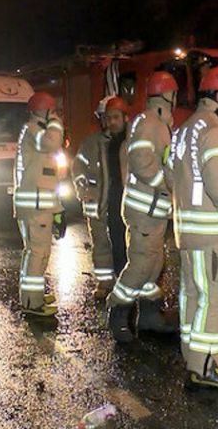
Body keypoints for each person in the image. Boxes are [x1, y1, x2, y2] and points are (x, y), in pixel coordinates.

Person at [168, 66, 218, 389]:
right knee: (215, 299)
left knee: (193, 296)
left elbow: (169, 176)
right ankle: (206, 369)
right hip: (212, 235)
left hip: (187, 234)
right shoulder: (216, 131)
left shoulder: (184, 129)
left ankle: (193, 356)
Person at [107, 72, 179, 343]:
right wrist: (164, 185)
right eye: (174, 95)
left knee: (154, 264)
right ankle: (117, 313)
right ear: (168, 96)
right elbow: (140, 159)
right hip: (144, 210)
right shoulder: (148, 123)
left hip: (153, 210)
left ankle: (149, 317)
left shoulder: (157, 123)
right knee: (140, 265)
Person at [13, 92, 66, 317]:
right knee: (38, 253)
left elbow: (48, 179)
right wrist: (56, 123)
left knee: (34, 252)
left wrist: (58, 210)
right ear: (43, 111)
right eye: (52, 111)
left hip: (38, 205)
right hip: (36, 208)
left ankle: (30, 297)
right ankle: (33, 304)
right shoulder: (34, 130)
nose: (55, 116)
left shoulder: (34, 132)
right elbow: (51, 142)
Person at [72, 96, 129, 300]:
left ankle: (126, 283)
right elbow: (77, 168)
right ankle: (105, 284)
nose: (112, 122)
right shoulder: (92, 143)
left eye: (116, 117)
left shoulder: (133, 142)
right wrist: (83, 190)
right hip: (99, 203)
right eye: (108, 118)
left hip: (126, 202)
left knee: (126, 244)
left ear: (125, 118)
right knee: (102, 246)